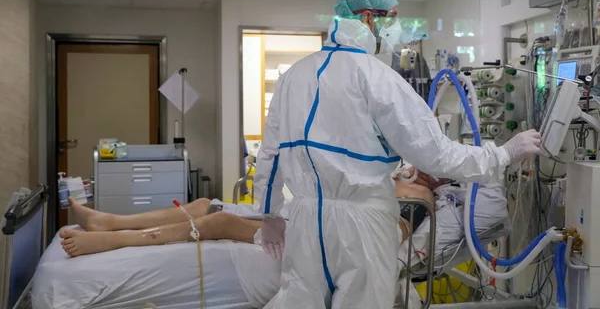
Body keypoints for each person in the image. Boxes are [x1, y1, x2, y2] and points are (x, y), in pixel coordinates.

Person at [253, 0, 541, 309]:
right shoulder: (377, 78)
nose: (397, 28)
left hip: (304, 219)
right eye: (392, 17)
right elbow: (436, 154)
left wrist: (269, 214)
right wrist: (503, 154)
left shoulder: (294, 75)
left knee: (300, 303)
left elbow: (271, 153)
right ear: (368, 19)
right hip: (361, 223)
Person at [59, 177, 434, 257]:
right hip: (303, 218)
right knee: (207, 204)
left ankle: (112, 239)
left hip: (322, 238)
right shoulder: (394, 176)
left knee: (219, 223)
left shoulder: (422, 198)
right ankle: (109, 220)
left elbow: (391, 236)